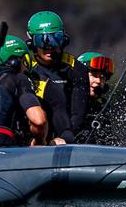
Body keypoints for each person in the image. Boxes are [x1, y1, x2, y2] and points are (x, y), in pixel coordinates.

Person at [25, 11, 89, 145]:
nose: (49, 47)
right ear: (31, 43)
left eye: (55, 39)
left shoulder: (76, 69)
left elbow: (78, 113)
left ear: (64, 40)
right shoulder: (26, 67)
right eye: (42, 41)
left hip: (66, 136)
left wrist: (64, 138)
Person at [0, 35, 47, 146]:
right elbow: (38, 120)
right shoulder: (17, 78)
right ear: (15, 62)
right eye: (24, 61)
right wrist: (39, 141)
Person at [77, 51, 115, 143]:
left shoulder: (103, 106)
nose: (98, 81)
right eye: (94, 75)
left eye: (102, 77)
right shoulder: (63, 100)